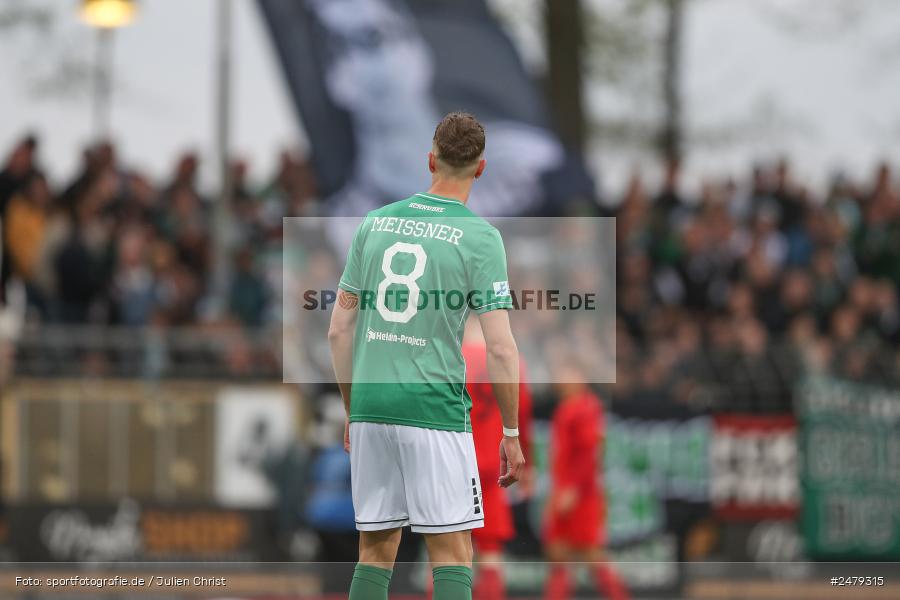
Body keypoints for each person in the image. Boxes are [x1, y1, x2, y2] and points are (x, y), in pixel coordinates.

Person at [329, 112, 526, 600]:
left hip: (372, 406)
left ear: (430, 160)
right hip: (433, 409)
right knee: (453, 555)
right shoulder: (481, 238)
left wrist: (353, 409)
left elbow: (338, 330)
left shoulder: (374, 224)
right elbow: (501, 347)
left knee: (375, 552)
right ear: (481, 168)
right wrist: (510, 431)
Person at [461, 316, 534, 600]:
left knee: (447, 549)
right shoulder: (513, 361)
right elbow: (522, 414)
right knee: (490, 550)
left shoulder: (449, 355)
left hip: (454, 462)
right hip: (494, 466)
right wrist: (528, 464)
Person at [544, 363, 629, 600]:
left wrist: (573, 488)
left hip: (581, 494)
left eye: (567, 373)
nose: (560, 378)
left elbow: (589, 453)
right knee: (558, 552)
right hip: (565, 490)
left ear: (580, 377)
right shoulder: (565, 408)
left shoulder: (587, 408)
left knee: (592, 554)